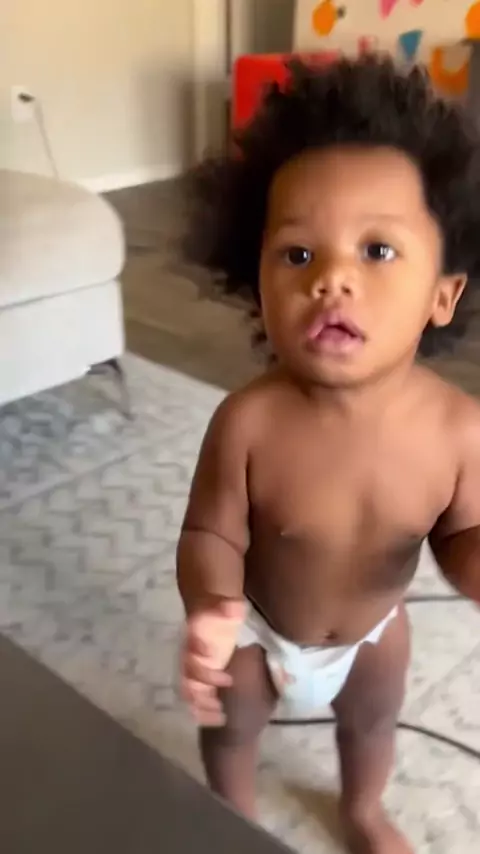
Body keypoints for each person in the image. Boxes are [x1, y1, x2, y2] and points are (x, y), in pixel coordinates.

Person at [176, 55, 480, 854]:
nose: (332, 279)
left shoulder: (458, 430)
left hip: (372, 633)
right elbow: (209, 533)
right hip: (258, 631)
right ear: (257, 285)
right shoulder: (247, 422)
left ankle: (363, 809)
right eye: (297, 254)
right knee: (230, 726)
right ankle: (231, 814)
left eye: (377, 251)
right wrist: (211, 607)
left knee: (374, 721)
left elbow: (461, 534)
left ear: (442, 295)